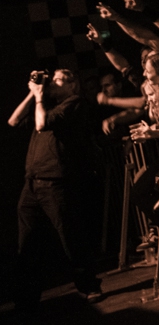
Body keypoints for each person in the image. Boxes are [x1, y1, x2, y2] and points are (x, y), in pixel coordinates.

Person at [7, 69, 103, 310]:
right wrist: (33, 93)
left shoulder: (75, 103)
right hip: (32, 182)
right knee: (27, 241)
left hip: (55, 182)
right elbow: (13, 120)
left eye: (58, 80)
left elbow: (41, 124)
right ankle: (26, 298)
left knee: (70, 236)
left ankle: (89, 285)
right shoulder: (45, 105)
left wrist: (39, 98)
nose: (52, 83)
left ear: (72, 85)